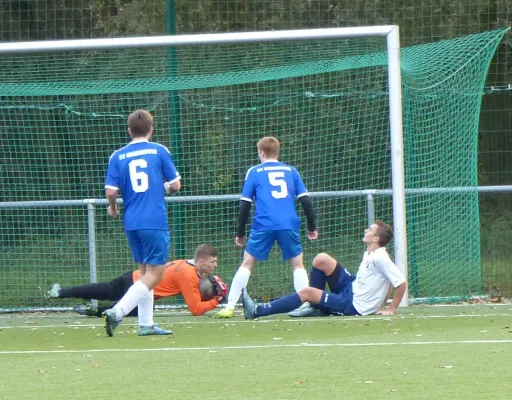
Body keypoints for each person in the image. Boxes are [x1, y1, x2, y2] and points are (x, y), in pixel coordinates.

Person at [215, 136, 318, 318]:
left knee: (247, 263)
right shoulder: (291, 171)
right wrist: (312, 226)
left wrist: (240, 233)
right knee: (297, 265)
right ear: (277, 152)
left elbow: (245, 205)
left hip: (264, 223)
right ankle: (306, 304)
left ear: (261, 152)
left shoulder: (254, 172)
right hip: (288, 223)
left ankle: (230, 306)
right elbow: (306, 201)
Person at [103, 109, 181, 337]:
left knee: (145, 271)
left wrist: (114, 206)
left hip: (132, 221)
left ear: (129, 130)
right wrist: (164, 187)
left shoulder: (118, 155)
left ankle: (146, 324)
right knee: (156, 273)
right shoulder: (159, 151)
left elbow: (110, 191)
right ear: (151, 129)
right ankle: (117, 312)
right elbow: (176, 185)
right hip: (153, 219)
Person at [241, 220, 408, 319]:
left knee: (307, 292)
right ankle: (316, 308)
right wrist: (381, 302)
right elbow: (387, 283)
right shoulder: (371, 253)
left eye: (370, 230)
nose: (366, 230)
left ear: (376, 238)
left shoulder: (380, 257)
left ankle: (257, 310)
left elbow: (400, 283)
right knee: (321, 259)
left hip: (353, 305)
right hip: (351, 287)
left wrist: (390, 309)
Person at [48, 244, 228, 318]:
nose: (216, 265)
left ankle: (69, 297)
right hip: (135, 285)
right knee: (107, 294)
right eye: (213, 262)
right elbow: (195, 309)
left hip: (135, 282)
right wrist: (217, 300)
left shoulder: (186, 264)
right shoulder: (188, 275)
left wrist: (212, 281)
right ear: (202, 261)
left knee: (105, 292)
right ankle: (89, 306)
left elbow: (193, 279)